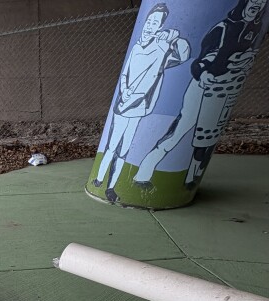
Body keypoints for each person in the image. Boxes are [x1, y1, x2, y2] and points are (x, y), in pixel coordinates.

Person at [133, 0, 267, 189]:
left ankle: (190, 180)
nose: (258, 5)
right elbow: (203, 57)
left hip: (225, 89)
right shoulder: (223, 28)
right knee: (179, 131)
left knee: (207, 136)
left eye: (261, 3)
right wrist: (204, 73)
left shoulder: (255, 27)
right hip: (202, 87)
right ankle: (142, 174)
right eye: (254, 1)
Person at [93, 3, 190, 202]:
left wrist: (176, 37)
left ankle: (111, 187)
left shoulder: (162, 48)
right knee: (112, 145)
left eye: (155, 22)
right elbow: (126, 73)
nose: (150, 25)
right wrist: (125, 92)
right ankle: (99, 179)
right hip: (124, 103)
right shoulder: (137, 46)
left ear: (160, 27)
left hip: (140, 106)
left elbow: (183, 56)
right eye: (149, 20)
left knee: (124, 149)